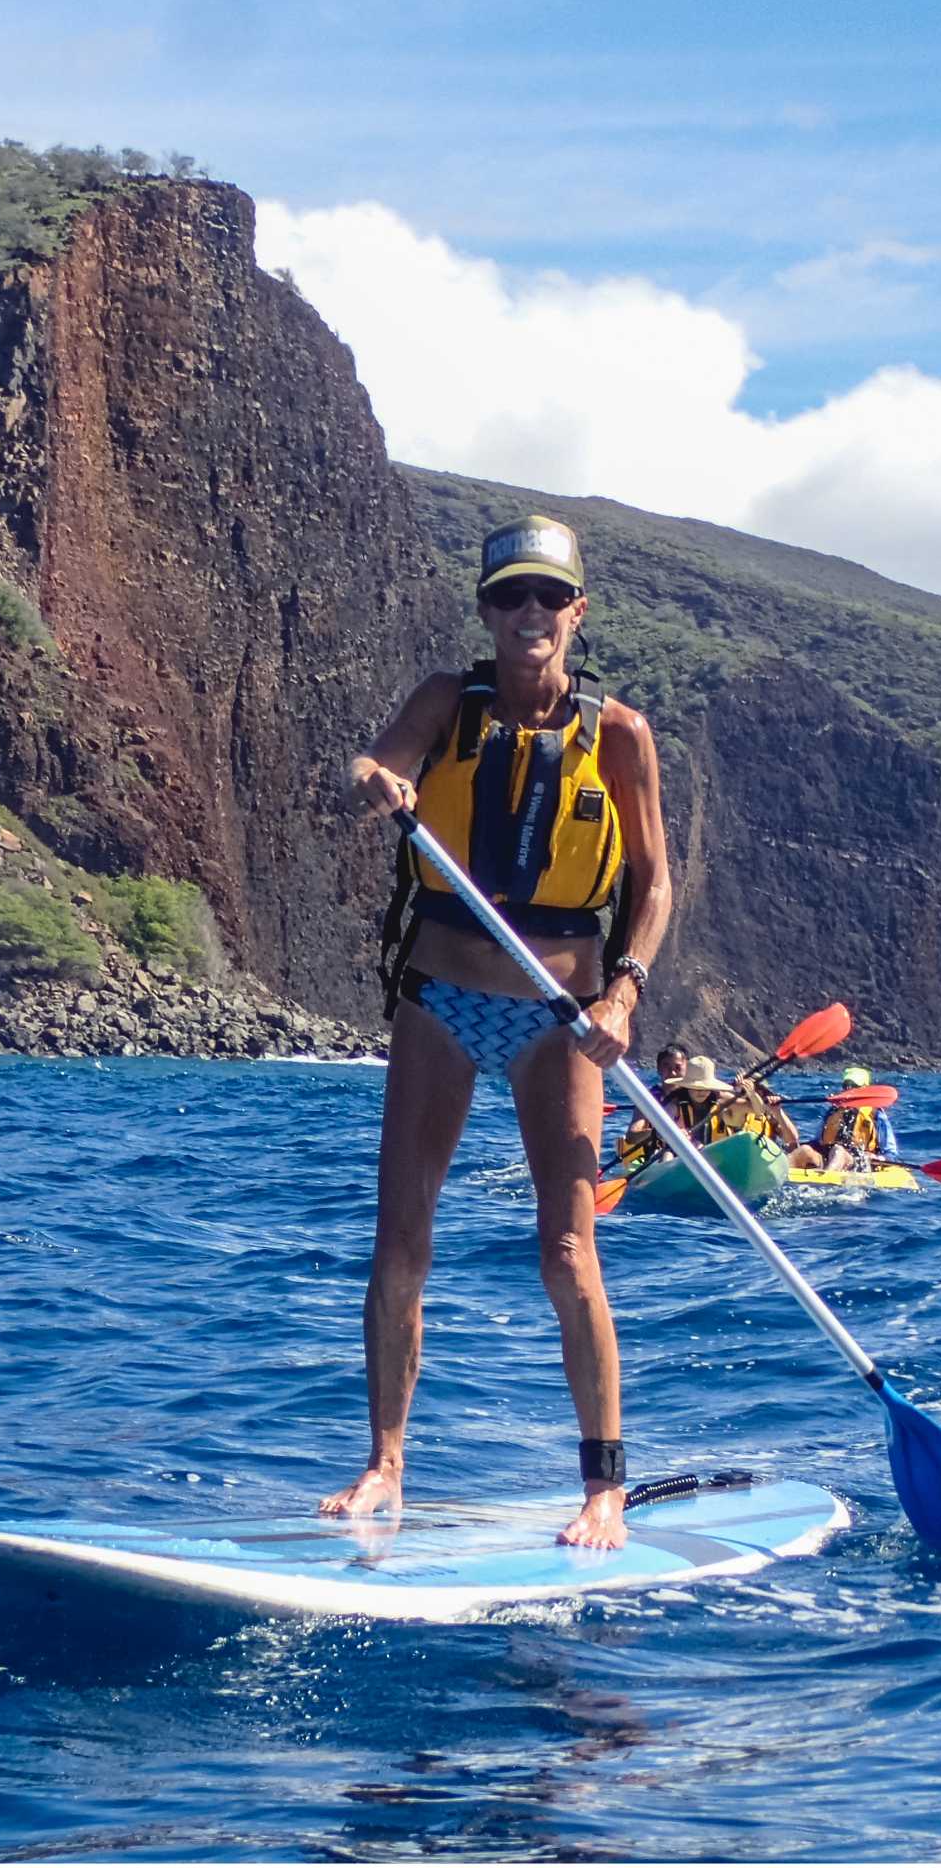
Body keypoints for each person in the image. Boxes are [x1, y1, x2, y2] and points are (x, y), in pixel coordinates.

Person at [321, 512, 673, 1551]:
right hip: (439, 997)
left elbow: (652, 887)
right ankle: (387, 1467)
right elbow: (377, 762)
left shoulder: (620, 734)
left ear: (579, 612)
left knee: (569, 1252)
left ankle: (605, 1487)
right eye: (509, 596)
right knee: (402, 1240)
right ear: (485, 609)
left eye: (549, 597)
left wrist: (624, 995)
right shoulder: (447, 702)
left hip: (558, 1015)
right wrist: (375, 776)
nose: (530, 614)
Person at [787, 1064, 885, 1171]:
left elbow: (890, 1151)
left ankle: (826, 1181)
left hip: (856, 1161)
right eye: (846, 1085)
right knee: (804, 1150)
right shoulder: (833, 1111)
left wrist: (877, 1157)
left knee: (839, 1151)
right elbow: (817, 1141)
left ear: (865, 1088)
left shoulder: (877, 1114)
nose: (850, 1089)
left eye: (855, 1086)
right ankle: (779, 1173)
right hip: (827, 1157)